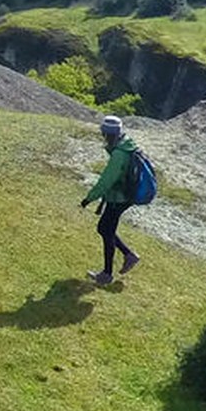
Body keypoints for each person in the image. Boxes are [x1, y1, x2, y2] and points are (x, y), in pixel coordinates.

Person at [80, 113, 145, 286]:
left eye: (104, 134)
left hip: (119, 198)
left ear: (108, 134)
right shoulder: (127, 145)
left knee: (105, 229)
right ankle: (128, 256)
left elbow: (107, 180)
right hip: (125, 196)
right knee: (105, 228)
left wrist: (89, 198)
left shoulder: (119, 154)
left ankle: (108, 274)